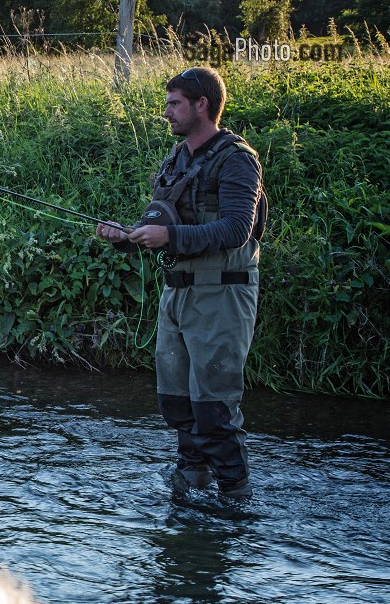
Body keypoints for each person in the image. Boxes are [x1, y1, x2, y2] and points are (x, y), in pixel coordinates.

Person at [96, 67, 267, 500]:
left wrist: (169, 237)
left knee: (213, 408)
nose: (166, 112)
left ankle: (235, 497)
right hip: (178, 294)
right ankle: (192, 479)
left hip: (223, 295)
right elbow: (161, 226)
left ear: (201, 105)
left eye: (174, 103)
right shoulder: (177, 160)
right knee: (176, 402)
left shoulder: (237, 159)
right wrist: (127, 237)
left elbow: (235, 230)